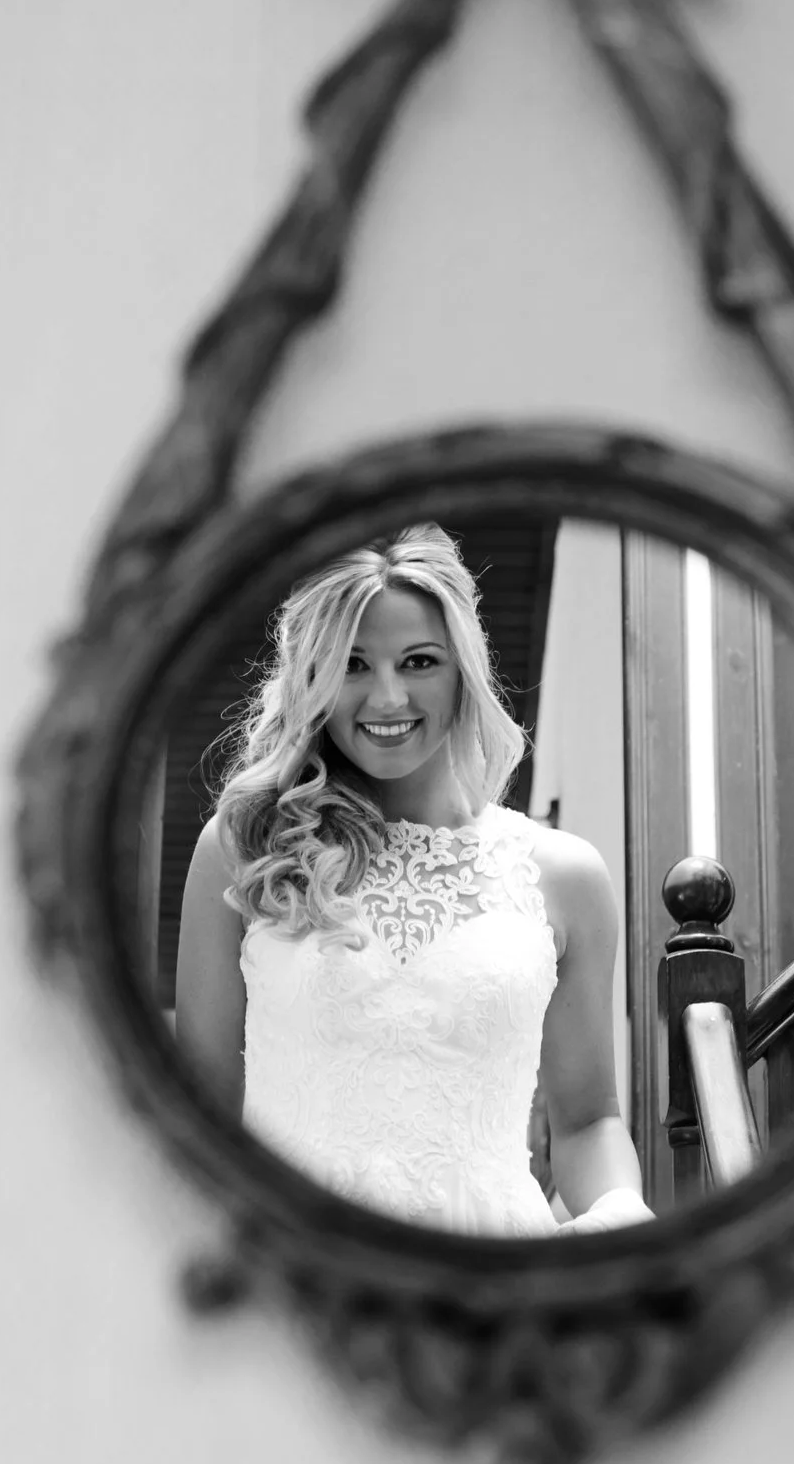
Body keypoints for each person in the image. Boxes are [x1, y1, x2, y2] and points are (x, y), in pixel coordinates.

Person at [173, 525, 652, 1238]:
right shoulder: (244, 849)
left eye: (419, 660)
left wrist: (620, 1219)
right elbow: (197, 1111)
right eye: (354, 664)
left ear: (463, 670)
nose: (388, 696)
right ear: (314, 680)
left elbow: (587, 1120)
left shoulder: (566, 877)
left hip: (497, 1288)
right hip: (298, 1275)